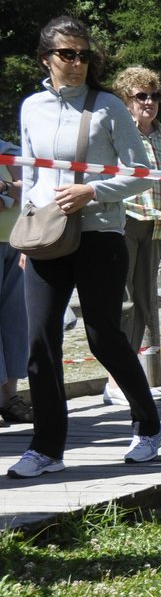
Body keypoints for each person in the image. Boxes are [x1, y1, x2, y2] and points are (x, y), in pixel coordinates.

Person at [8, 16, 161, 480]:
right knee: (40, 340)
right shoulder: (32, 106)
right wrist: (28, 229)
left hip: (99, 234)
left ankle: (148, 424)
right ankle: (47, 446)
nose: (77, 63)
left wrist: (91, 192)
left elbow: (138, 172)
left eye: (83, 54)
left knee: (103, 335)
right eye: (67, 54)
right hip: (46, 238)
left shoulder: (108, 108)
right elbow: (33, 175)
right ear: (46, 59)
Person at [112, 66, 161, 397]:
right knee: (122, 300)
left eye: (154, 96)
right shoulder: (118, 130)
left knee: (143, 300)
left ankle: (132, 381)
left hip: (157, 225)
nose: (149, 102)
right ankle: (116, 382)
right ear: (126, 100)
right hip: (125, 220)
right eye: (141, 96)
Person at [0, 140, 30, 427]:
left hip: (15, 241)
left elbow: (31, 190)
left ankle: (9, 398)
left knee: (15, 322)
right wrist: (12, 190)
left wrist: (6, 189)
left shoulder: (8, 150)